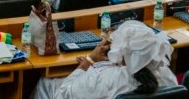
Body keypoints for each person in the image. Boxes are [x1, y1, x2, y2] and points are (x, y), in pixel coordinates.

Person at [33, 20, 178, 99]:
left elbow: (62, 95)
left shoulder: (102, 78)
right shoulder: (168, 76)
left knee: (44, 83)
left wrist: (88, 61)